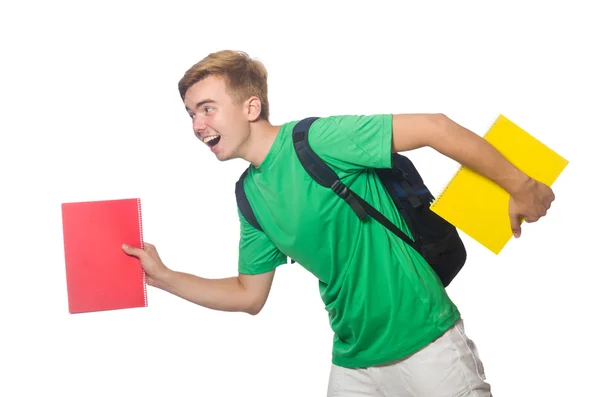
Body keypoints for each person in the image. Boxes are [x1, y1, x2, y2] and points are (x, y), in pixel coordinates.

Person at [122, 50, 555, 396]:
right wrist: (164, 278)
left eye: (207, 108)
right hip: (354, 361)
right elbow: (249, 294)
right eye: (190, 114)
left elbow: (434, 127)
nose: (198, 125)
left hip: (426, 344)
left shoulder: (316, 141)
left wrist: (522, 185)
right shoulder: (249, 193)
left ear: (250, 106)